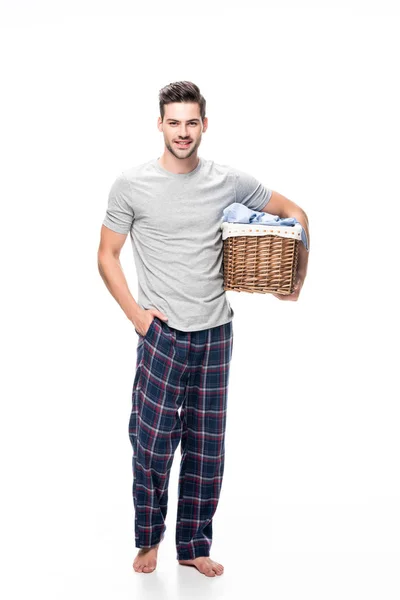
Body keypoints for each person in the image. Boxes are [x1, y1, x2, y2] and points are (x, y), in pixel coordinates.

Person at [97, 81, 310, 577]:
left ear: (204, 125)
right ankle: (148, 538)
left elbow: (295, 214)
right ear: (160, 125)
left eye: (192, 122)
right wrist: (136, 315)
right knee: (150, 441)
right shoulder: (131, 184)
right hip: (162, 333)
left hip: (216, 333)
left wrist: (297, 278)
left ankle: (193, 544)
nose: (183, 132)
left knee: (206, 444)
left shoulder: (228, 181)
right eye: (174, 122)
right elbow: (106, 255)